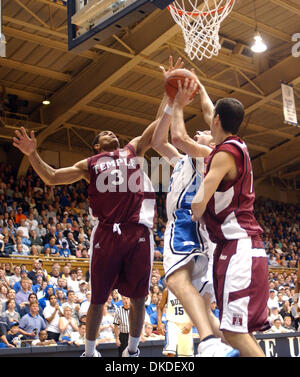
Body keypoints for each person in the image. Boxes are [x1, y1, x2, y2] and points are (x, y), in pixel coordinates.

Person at [13, 87, 164, 357]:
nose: (111, 133)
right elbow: (52, 177)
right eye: (105, 134)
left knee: (140, 297)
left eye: (113, 133)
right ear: (96, 146)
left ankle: (132, 350)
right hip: (107, 232)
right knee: (98, 299)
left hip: (136, 230)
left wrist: (169, 94)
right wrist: (31, 154)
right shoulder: (90, 164)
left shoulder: (132, 149)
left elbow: (157, 126)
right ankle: (90, 352)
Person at [151, 57, 236, 357]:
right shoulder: (185, 161)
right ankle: (220, 347)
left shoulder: (208, 153)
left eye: (203, 130)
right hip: (201, 234)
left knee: (175, 280)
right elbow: (159, 141)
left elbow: (177, 136)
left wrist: (178, 102)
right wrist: (168, 96)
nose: (199, 132)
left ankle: (211, 344)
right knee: (198, 300)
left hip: (186, 223)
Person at [182, 77, 269, 356]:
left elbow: (198, 205)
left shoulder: (223, 155)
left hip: (238, 245)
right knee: (230, 332)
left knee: (232, 331)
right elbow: (210, 110)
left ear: (217, 122)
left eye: (211, 119)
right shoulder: (233, 145)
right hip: (231, 247)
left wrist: (186, 207)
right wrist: (200, 87)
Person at [157, 288, 194, 357]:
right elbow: (160, 307)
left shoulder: (191, 289)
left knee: (186, 355)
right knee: (170, 352)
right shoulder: (167, 290)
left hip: (186, 324)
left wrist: (191, 324)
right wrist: (159, 323)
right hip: (172, 323)